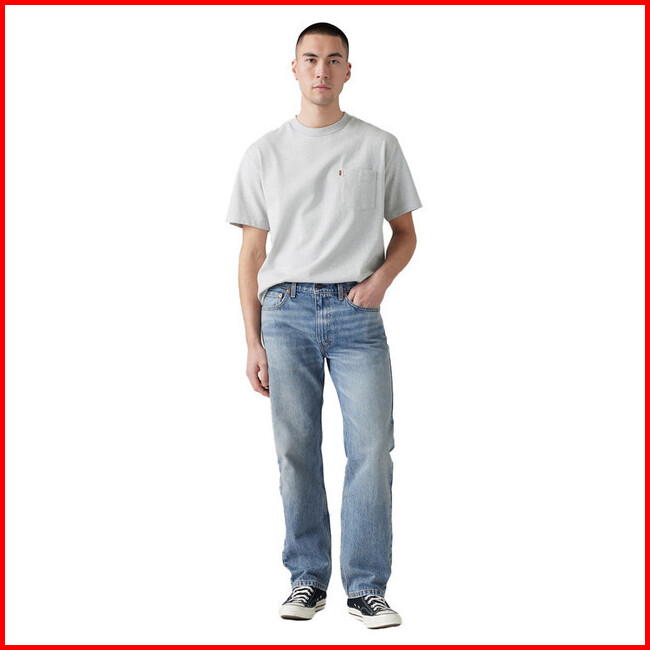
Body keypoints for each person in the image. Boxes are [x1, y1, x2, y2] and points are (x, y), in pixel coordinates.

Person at [225, 22, 422, 629]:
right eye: (311, 59)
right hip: (284, 314)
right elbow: (252, 254)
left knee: (372, 449)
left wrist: (379, 283)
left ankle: (367, 587)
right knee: (295, 449)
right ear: (294, 68)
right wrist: (253, 340)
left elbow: (405, 234)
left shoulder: (378, 145)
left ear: (348, 71)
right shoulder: (264, 153)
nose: (322, 70)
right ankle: (307, 579)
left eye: (334, 60)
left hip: (357, 313)